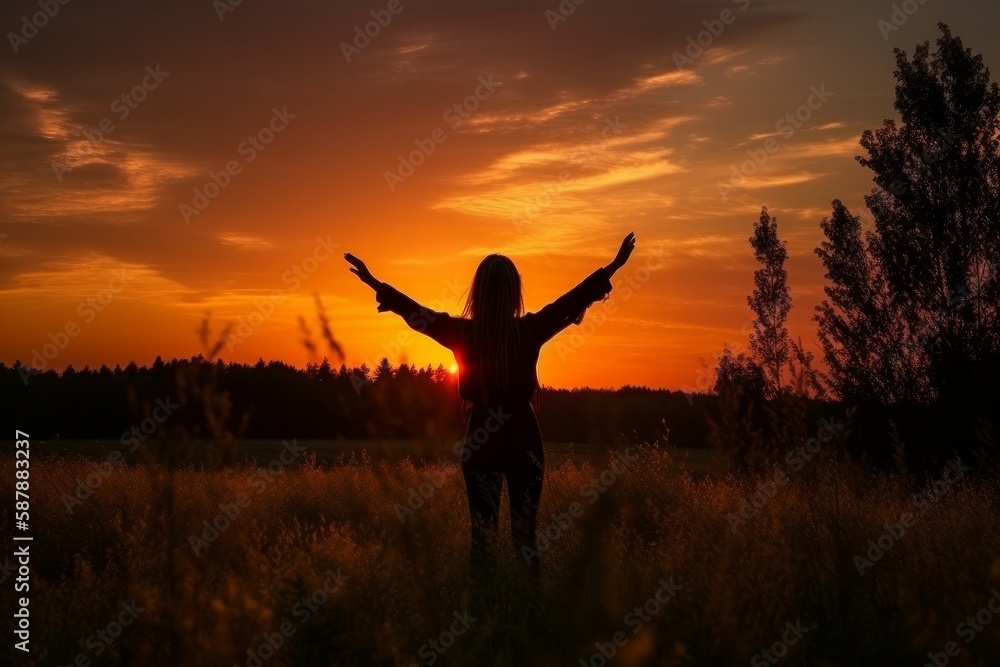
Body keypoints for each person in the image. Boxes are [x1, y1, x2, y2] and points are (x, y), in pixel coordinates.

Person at [344, 233, 636, 582]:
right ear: (515, 293)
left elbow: (419, 314)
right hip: (523, 436)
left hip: (482, 438)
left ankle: (482, 617)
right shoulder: (529, 330)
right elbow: (568, 302)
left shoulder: (462, 334)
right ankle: (529, 619)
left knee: (482, 539)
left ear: (478, 293)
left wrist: (376, 284)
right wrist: (614, 267)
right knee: (525, 539)